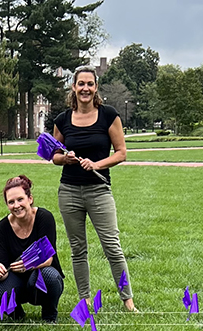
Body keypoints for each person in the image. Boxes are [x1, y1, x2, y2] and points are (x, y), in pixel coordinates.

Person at [52, 65, 136, 312]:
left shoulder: (108, 115)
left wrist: (96, 164)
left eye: (90, 84)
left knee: (112, 246)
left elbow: (121, 153)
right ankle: (85, 300)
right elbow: (52, 154)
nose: (85, 88)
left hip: (99, 190)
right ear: (74, 87)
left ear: (96, 87)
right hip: (69, 191)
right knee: (78, 248)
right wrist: (63, 158)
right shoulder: (63, 119)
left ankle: (128, 299)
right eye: (81, 84)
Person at [0, 175, 64, 322]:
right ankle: (17, 315)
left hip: (41, 273)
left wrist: (28, 265)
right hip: (16, 279)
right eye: (11, 202)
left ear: (30, 199)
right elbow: (0, 262)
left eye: (20, 199)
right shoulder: (1, 227)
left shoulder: (44, 218)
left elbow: (48, 258)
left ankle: (49, 315)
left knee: (49, 276)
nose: (16, 205)